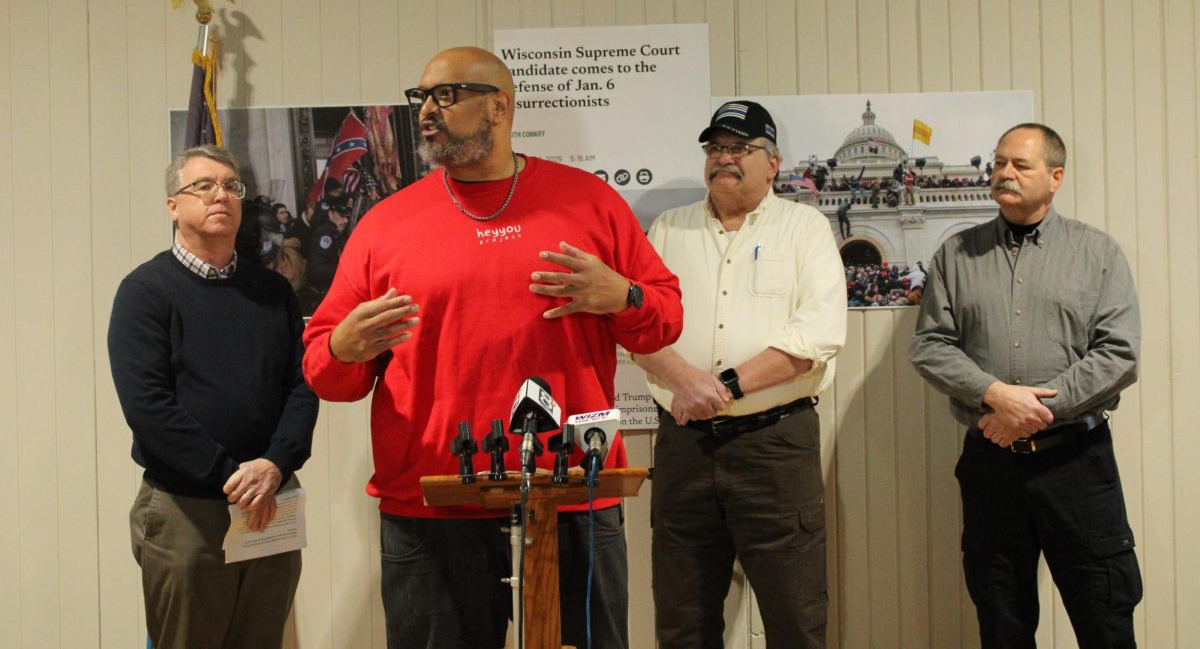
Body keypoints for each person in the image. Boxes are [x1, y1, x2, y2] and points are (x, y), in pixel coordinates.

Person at [301, 46, 683, 649]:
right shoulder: (385, 224)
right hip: (431, 506)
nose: (427, 110)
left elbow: (662, 322)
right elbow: (327, 372)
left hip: (571, 496)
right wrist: (343, 347)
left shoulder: (589, 202)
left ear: (499, 106)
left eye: (446, 95)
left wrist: (622, 295)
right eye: (421, 97)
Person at [909, 123, 1142, 648]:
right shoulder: (955, 255)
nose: (1003, 174)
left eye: (1020, 165)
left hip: (1078, 464)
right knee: (1002, 617)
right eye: (998, 163)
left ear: (1056, 177)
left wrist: (1035, 409)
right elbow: (930, 345)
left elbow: (1119, 354)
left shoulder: (1097, 252)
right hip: (991, 468)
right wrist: (996, 396)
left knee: (1105, 614)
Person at [632, 100, 847, 648]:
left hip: (775, 447)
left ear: (772, 162)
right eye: (715, 148)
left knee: (795, 617)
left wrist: (720, 388)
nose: (724, 160)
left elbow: (815, 337)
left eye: (740, 149)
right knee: (683, 622)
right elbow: (637, 329)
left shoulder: (806, 228)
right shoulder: (667, 229)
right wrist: (682, 380)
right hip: (684, 447)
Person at [107, 145, 319, 649]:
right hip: (187, 510)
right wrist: (231, 475)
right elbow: (148, 408)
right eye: (202, 186)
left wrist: (274, 464)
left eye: (230, 186)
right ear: (172, 206)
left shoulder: (272, 292)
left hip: (272, 499)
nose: (220, 195)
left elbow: (303, 384)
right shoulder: (145, 292)